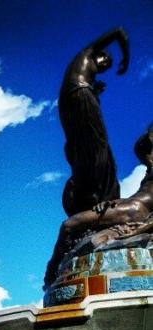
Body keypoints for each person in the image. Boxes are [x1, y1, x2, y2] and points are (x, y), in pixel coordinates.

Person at [45, 126, 153, 288]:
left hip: (134, 210)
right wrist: (115, 203)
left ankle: (52, 270)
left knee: (69, 225)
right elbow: (139, 196)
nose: (148, 157)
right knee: (69, 225)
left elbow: (141, 201)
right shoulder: (149, 172)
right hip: (131, 206)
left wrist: (145, 225)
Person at [59, 27, 129, 216]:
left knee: (84, 147)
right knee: (98, 145)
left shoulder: (87, 82)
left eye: (108, 65)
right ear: (98, 54)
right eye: (105, 59)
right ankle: (102, 194)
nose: (105, 64)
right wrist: (125, 58)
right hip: (79, 93)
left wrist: (95, 94)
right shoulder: (86, 55)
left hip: (70, 100)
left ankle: (89, 193)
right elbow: (119, 32)